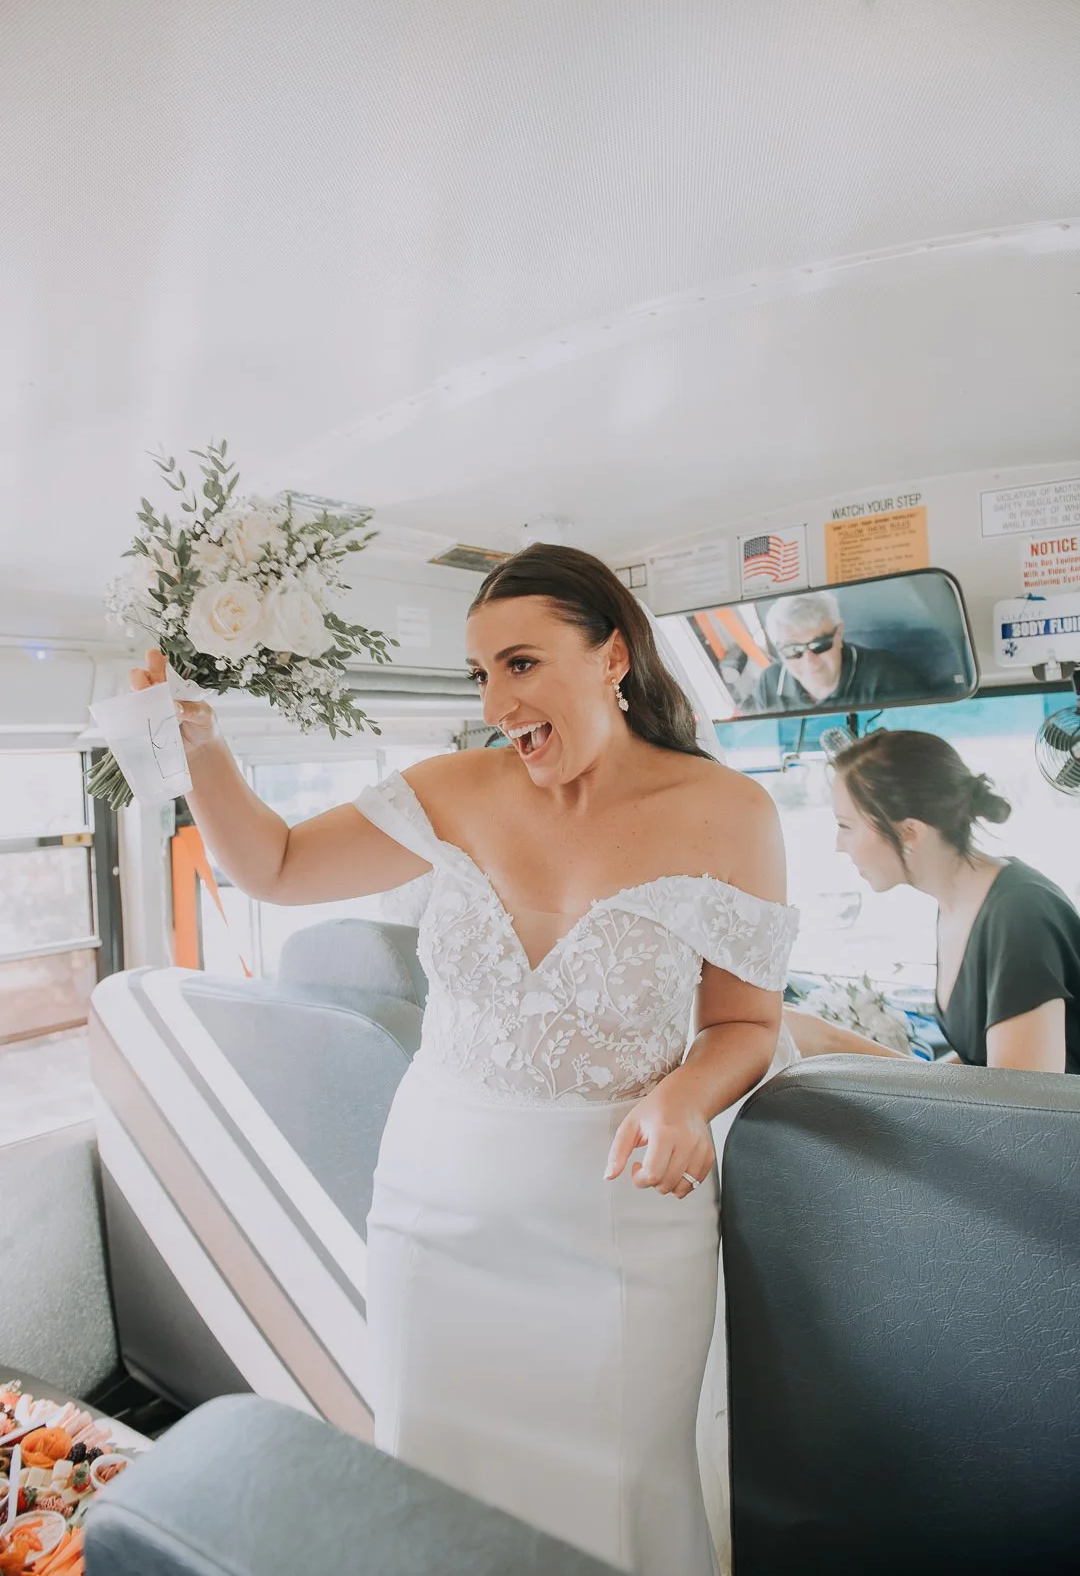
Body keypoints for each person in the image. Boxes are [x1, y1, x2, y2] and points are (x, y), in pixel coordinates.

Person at [132, 542, 798, 1576]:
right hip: (433, 1217)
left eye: (521, 664)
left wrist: (683, 1096)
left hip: (618, 1227)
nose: (496, 701)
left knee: (615, 1500)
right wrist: (202, 747)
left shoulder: (730, 813)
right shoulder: (448, 789)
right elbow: (272, 864)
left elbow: (747, 1025)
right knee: (433, 1491)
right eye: (480, 673)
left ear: (612, 656)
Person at [790, 729, 1080, 1073]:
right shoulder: (959, 904)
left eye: (846, 826)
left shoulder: (1019, 915)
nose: (839, 844)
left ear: (909, 831)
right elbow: (978, 1061)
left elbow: (1022, 1106)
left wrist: (834, 1043)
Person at [745, 590, 921, 713]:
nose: (810, 660)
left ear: (839, 634)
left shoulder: (885, 676)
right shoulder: (769, 682)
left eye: (819, 645)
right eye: (793, 650)